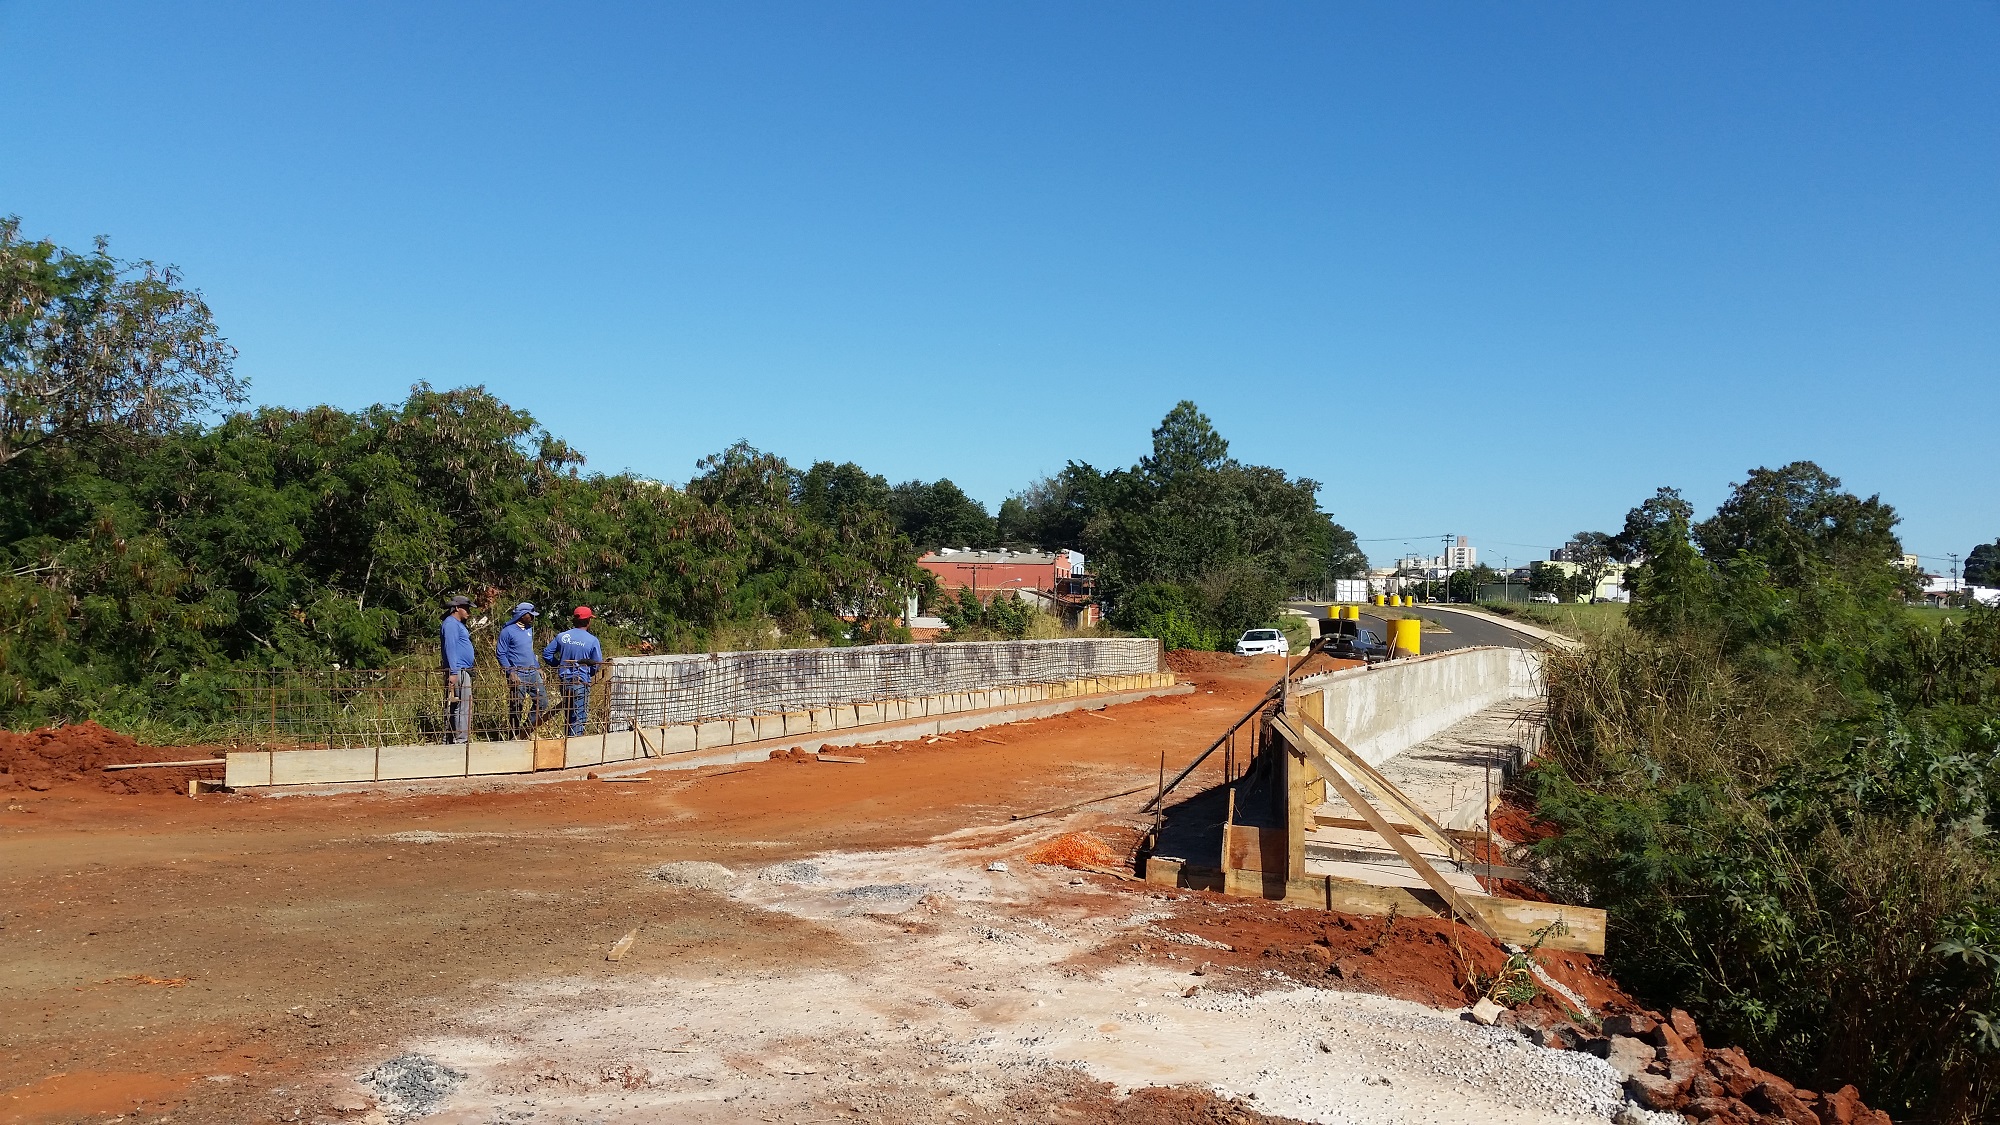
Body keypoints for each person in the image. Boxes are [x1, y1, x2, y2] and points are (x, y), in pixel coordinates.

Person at [542, 606, 605, 737]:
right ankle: (574, 747)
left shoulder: (562, 636)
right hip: (581, 682)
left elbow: (547, 654)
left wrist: (559, 665)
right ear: (588, 621)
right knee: (579, 717)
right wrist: (589, 673)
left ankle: (567, 743)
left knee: (569, 714)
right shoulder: (592, 640)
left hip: (564, 681)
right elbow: (597, 664)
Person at [496, 602, 545, 738]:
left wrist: (537, 666)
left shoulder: (529, 629)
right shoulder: (507, 631)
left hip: (533, 673)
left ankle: (525, 730)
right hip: (518, 675)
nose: (533, 618)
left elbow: (529, 650)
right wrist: (510, 672)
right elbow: (501, 653)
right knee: (516, 707)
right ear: (523, 615)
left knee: (542, 702)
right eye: (531, 615)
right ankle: (514, 735)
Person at [439, 595, 476, 743]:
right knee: (463, 705)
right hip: (458, 670)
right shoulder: (451, 625)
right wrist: (453, 672)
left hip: (462, 669)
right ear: (457, 608)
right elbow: (450, 648)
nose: (468, 611)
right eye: (465, 608)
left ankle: (451, 737)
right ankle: (461, 740)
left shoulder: (458, 624)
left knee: (457, 704)